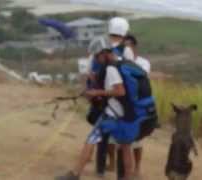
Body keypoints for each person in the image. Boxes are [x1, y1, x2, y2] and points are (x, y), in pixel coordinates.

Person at [56, 36, 134, 180]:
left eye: (97, 56)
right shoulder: (122, 62)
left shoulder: (111, 68)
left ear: (103, 53)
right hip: (127, 113)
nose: (97, 60)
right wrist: (95, 81)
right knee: (125, 146)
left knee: (91, 140)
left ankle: (75, 174)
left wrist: (96, 92)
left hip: (113, 114)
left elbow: (120, 91)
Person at [124, 34, 151, 177]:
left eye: (128, 45)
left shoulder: (143, 62)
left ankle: (138, 167)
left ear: (134, 46)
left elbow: (141, 76)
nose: (126, 48)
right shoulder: (121, 62)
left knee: (138, 139)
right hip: (124, 104)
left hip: (139, 104)